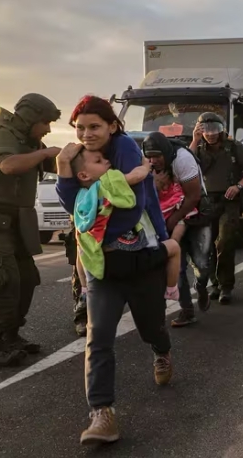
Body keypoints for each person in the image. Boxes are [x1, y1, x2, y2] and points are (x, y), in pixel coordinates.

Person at [55, 95, 172, 446]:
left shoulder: (125, 148)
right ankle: (102, 413)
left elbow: (127, 208)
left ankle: (162, 351)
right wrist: (64, 170)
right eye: (80, 128)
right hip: (103, 266)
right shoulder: (78, 154)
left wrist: (94, 196)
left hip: (141, 259)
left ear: (111, 126)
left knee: (151, 327)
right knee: (99, 337)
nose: (87, 134)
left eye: (95, 126)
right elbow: (76, 211)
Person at [0, 94, 61, 366]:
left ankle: (10, 335)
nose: (48, 129)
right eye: (45, 122)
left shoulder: (29, 142)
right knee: (3, 281)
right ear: (30, 118)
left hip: (15, 223)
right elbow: (7, 165)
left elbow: (61, 166)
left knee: (26, 279)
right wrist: (44, 152)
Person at [70, 147, 182, 301]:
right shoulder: (106, 183)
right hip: (126, 247)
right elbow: (137, 176)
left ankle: (84, 288)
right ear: (83, 174)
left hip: (96, 247)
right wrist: (145, 165)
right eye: (99, 161)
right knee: (174, 247)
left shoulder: (81, 196)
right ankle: (171, 289)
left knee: (81, 246)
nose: (107, 161)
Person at [142, 131, 211, 328]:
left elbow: (193, 197)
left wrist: (173, 220)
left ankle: (201, 285)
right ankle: (187, 310)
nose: (154, 160)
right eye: (150, 156)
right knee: (175, 265)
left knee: (202, 264)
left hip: (194, 213)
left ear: (166, 152)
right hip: (168, 215)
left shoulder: (183, 159)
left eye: (157, 156)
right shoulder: (148, 164)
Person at [188, 112, 243, 304]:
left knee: (224, 243)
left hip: (229, 201)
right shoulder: (198, 149)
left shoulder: (234, 147)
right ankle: (215, 284)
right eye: (206, 130)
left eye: (214, 129)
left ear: (222, 129)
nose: (210, 134)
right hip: (208, 202)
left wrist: (239, 186)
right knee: (208, 246)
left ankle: (226, 286)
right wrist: (194, 140)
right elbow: (186, 164)